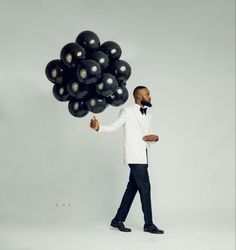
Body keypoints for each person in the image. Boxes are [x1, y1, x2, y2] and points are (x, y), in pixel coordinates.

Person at [90, 86, 164, 234]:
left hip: (143, 154)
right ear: (138, 96)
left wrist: (155, 138)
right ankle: (148, 224)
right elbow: (114, 126)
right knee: (145, 187)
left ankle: (117, 220)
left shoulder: (148, 115)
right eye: (147, 94)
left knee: (132, 188)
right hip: (134, 155)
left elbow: (146, 134)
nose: (150, 96)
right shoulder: (127, 111)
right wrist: (99, 128)